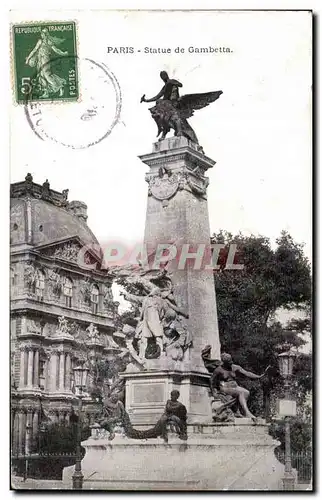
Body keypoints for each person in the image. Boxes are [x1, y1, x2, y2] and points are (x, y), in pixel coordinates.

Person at [25, 28, 68, 98]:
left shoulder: (49, 42)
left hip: (46, 60)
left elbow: (56, 50)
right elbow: (34, 50)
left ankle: (59, 86)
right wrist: (28, 59)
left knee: (47, 75)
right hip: (39, 60)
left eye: (44, 34)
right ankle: (46, 92)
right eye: (42, 33)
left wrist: (63, 53)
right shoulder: (40, 41)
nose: (42, 35)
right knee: (41, 76)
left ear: (46, 34)